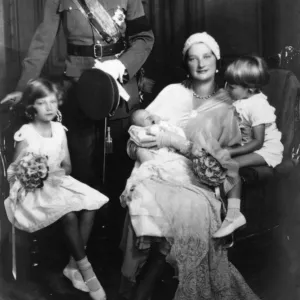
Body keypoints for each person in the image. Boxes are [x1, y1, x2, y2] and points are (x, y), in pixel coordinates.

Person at [1, 0, 154, 257]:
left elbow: (144, 38)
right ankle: (82, 248)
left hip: (119, 85)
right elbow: (43, 40)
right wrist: (24, 85)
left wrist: (121, 66)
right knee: (80, 169)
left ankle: (118, 245)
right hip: (78, 87)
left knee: (120, 168)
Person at [119, 32, 259, 300]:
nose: (201, 63)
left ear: (217, 62)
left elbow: (226, 160)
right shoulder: (172, 92)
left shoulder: (228, 106)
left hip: (197, 179)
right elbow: (135, 139)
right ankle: (139, 286)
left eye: (206, 56)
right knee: (145, 197)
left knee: (188, 209)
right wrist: (141, 150)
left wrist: (186, 148)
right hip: (157, 171)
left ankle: (145, 289)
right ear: (186, 64)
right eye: (193, 58)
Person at [4, 78, 109, 300]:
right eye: (43, 103)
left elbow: (68, 166)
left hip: (57, 181)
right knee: (69, 215)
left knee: (92, 205)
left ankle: (72, 265)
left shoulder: (59, 130)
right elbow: (13, 172)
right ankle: (87, 271)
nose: (50, 107)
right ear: (32, 106)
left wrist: (52, 171)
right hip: (32, 189)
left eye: (53, 102)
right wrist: (32, 173)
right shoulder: (27, 132)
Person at [224, 55, 284, 168]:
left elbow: (258, 142)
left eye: (231, 87)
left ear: (250, 89)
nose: (227, 90)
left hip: (265, 150)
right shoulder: (241, 100)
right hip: (248, 145)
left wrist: (231, 152)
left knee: (229, 166)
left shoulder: (258, 105)